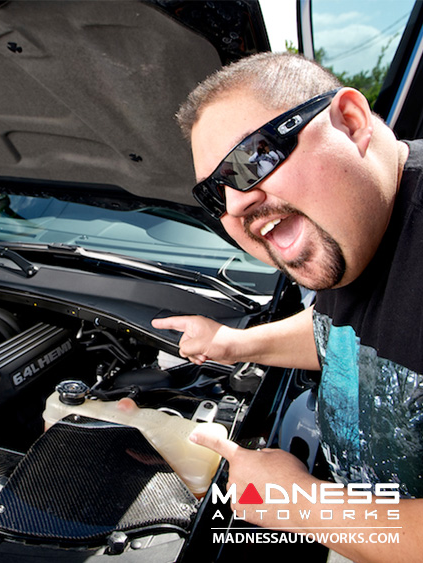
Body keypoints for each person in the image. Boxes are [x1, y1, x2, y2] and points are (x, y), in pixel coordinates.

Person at [151, 52, 423, 562]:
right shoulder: (353, 226)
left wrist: (301, 504)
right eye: (214, 194)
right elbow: (348, 333)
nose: (234, 206)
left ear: (350, 122)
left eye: (252, 159)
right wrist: (235, 343)